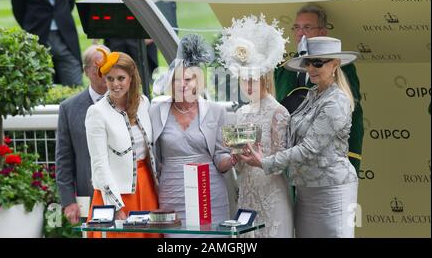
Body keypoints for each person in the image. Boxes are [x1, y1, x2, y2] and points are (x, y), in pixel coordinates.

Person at [241, 36, 359, 238]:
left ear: (335, 64)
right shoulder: (314, 94)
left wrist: (265, 162)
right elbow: (291, 136)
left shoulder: (337, 101)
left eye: (318, 62)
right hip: (306, 190)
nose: (311, 68)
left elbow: (309, 148)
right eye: (308, 62)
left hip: (331, 192)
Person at [150, 34, 236, 238]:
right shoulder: (156, 110)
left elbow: (220, 157)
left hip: (210, 193)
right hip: (173, 192)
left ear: (197, 81)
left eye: (188, 79)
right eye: (177, 80)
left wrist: (233, 158)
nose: (183, 85)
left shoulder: (216, 111)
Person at [216, 14, 294, 238]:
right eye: (244, 80)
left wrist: (260, 160)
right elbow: (240, 166)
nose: (248, 86)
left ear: (265, 78)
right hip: (247, 194)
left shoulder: (278, 112)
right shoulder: (240, 113)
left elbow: (281, 163)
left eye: (253, 79)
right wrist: (236, 157)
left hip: (271, 193)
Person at [274, 4, 364, 172]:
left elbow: (355, 113)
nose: (301, 32)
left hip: (327, 165)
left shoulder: (343, 68)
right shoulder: (282, 69)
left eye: (307, 27)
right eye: (297, 27)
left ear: (323, 32)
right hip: (290, 163)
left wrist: (352, 157)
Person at [85, 49, 159, 238]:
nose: (115, 84)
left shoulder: (144, 103)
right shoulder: (97, 112)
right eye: (110, 79)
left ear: (132, 78)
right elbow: (99, 164)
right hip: (117, 194)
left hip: (147, 188)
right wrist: (116, 205)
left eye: (121, 78)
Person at [56, 45, 110, 225]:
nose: (104, 72)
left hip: (125, 193)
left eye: (108, 66)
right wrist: (68, 201)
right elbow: (64, 158)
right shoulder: (69, 108)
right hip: (89, 193)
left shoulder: (127, 102)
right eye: (98, 68)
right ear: (86, 71)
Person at [10, 0, 83, 86]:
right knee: (38, 85)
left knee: (75, 84)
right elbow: (18, 9)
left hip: (65, 36)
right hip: (36, 36)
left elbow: (69, 3)